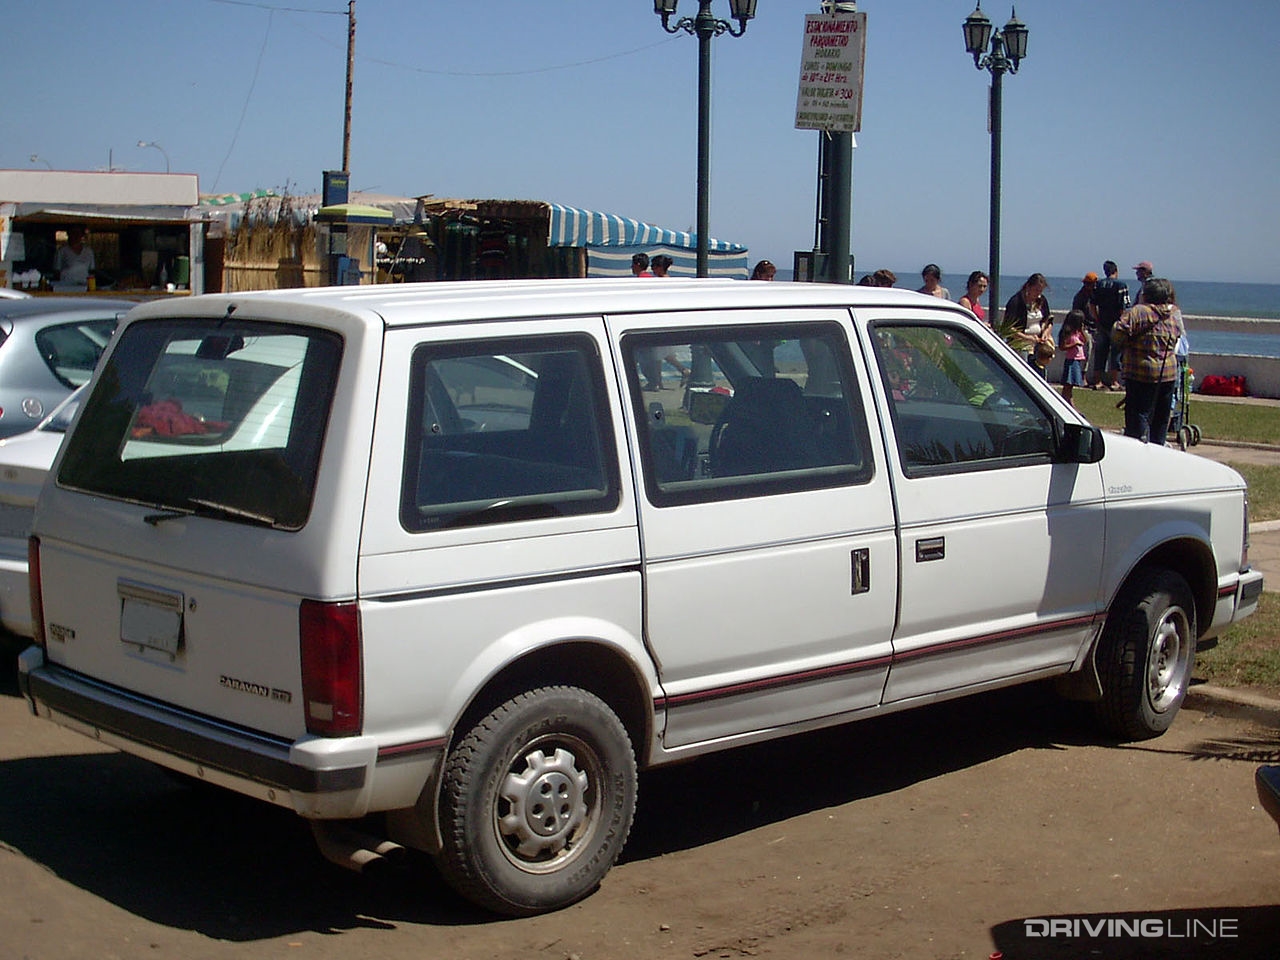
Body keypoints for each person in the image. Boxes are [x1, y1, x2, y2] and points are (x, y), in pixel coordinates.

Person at [1111, 277, 1182, 444]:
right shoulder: (1174, 314)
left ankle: (1139, 450)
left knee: (1138, 416)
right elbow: (1178, 335)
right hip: (1168, 372)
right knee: (1161, 418)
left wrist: (1127, 344)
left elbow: (1116, 332)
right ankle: (1159, 448)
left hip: (1140, 372)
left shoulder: (1138, 312)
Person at [1089, 260, 1131, 390]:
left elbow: (1092, 304)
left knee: (1100, 352)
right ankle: (1114, 381)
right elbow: (1123, 307)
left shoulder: (1099, 284)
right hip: (1115, 324)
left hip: (1102, 322)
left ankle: (1098, 381)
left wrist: (1097, 319)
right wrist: (1122, 322)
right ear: (1116, 271)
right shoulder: (1121, 285)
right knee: (1116, 353)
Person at [1002, 273, 1054, 376]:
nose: (1038, 294)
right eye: (1036, 290)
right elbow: (1008, 328)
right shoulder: (1016, 302)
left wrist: (1045, 332)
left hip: (1038, 344)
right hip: (1021, 344)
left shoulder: (1041, 300)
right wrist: (1027, 337)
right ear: (1028, 286)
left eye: (1040, 291)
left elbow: (1048, 320)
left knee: (1040, 372)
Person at [1057, 309, 1088, 406]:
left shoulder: (1078, 332)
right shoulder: (1067, 332)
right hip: (1071, 360)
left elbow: (1085, 340)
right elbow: (1062, 347)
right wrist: (1074, 344)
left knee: (1071, 385)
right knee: (1068, 384)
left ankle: (1068, 402)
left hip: (1077, 360)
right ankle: (1068, 402)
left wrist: (1082, 331)